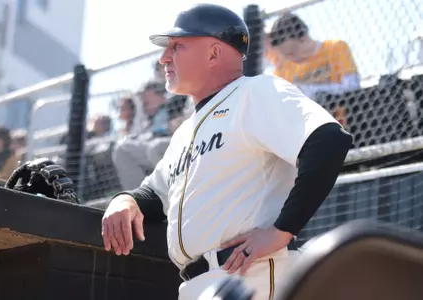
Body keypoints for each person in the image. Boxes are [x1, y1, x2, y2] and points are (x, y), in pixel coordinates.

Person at [102, 4, 352, 300]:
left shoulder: (255, 92)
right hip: (198, 283)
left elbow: (328, 139)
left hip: (248, 274)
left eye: (177, 46)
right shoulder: (185, 131)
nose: (164, 58)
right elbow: (157, 194)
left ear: (214, 53)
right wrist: (126, 200)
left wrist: (282, 231)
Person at [265, 12, 360, 100]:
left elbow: (352, 86)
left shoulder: (336, 48)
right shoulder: (282, 71)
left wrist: (309, 90)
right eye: (285, 55)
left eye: (292, 53)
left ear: (303, 37)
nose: (290, 59)